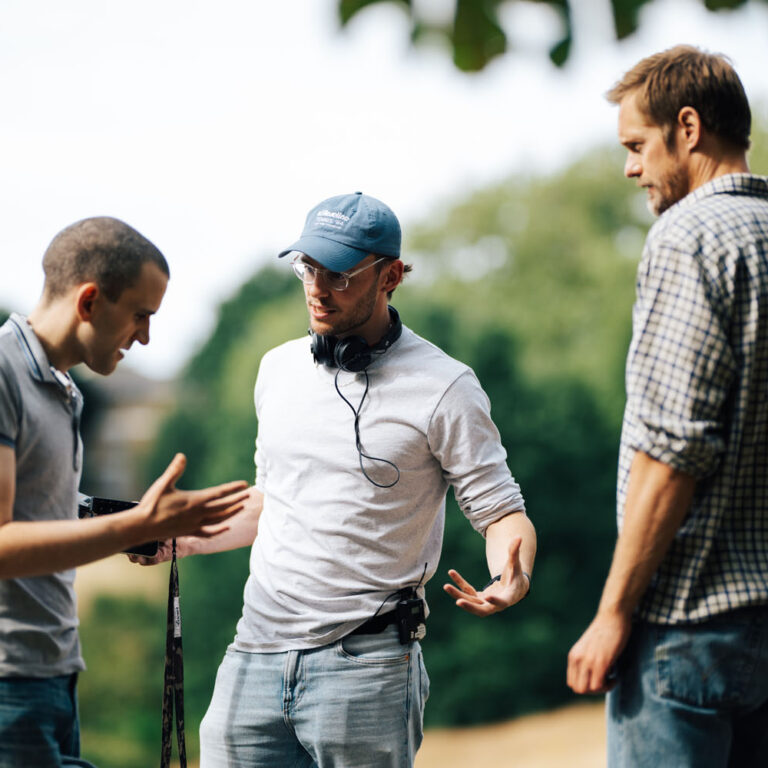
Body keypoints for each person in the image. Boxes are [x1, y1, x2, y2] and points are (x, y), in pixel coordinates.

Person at [137, 191, 536, 767]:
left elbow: (500, 511)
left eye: (341, 275)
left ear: (391, 275)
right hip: (254, 654)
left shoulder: (447, 386)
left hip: (367, 669)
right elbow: (274, 502)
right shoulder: (276, 369)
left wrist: (511, 574)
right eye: (308, 268)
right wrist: (180, 538)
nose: (318, 288)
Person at [566, 46, 768, 766]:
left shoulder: (688, 237)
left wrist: (613, 613)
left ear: (688, 128)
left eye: (636, 145)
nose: (630, 169)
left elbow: (671, 453)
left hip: (688, 627)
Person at [0, 216, 250, 768]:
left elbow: (42, 511)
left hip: (53, 672)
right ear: (90, 301)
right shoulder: (3, 373)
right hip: (8, 679)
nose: (145, 337)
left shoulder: (64, 388)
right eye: (140, 315)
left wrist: (134, 519)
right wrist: (140, 525)